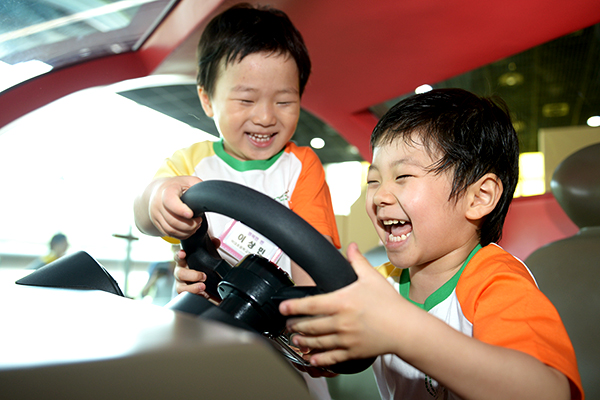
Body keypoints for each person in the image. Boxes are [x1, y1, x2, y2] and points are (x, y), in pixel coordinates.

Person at [280, 89, 584, 400]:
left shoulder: (495, 282)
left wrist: (401, 329)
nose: (380, 196)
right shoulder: (382, 283)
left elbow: (547, 392)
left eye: (403, 176)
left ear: (479, 197)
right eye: (373, 180)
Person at [133, 4, 339, 399]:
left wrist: (314, 324)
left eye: (284, 101)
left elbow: (312, 253)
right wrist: (157, 198)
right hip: (206, 328)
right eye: (246, 100)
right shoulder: (191, 163)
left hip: (285, 335)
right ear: (208, 100)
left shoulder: (300, 166)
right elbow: (145, 214)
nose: (265, 117)